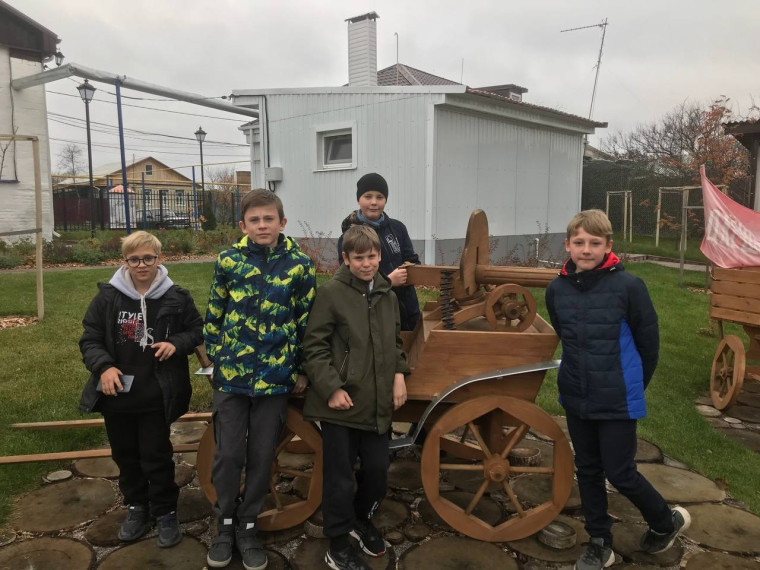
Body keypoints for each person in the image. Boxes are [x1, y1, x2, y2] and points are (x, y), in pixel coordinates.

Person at [545, 209, 691, 570]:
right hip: (577, 396)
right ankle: (599, 542)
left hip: (618, 399)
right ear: (568, 245)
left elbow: (649, 346)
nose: (586, 249)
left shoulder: (630, 288)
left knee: (621, 472)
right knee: (589, 470)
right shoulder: (557, 289)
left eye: (595, 243)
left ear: (609, 246)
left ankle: (664, 521)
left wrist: (633, 388)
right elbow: (565, 335)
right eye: (579, 242)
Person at [203, 188, 316, 570]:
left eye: (269, 219)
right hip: (232, 376)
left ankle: (248, 526)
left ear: (282, 222)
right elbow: (215, 312)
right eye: (255, 220)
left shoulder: (299, 265)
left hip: (275, 377)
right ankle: (225, 524)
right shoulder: (229, 260)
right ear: (243, 225)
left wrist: (301, 368)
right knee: (229, 453)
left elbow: (306, 322)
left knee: (262, 454)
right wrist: (217, 358)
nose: (262, 225)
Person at [79, 231, 203, 548]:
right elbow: (90, 338)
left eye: (148, 258)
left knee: (156, 455)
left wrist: (176, 343)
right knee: (126, 456)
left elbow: (196, 330)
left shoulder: (176, 297)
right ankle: (136, 506)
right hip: (117, 395)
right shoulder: (108, 298)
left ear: (159, 258)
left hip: (155, 394)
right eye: (134, 259)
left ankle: (164, 512)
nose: (141, 264)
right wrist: (104, 367)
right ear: (126, 262)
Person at [304, 224, 411, 570]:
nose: (367, 263)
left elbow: (394, 341)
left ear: (380, 256)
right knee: (339, 476)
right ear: (346, 259)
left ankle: (360, 519)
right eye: (359, 257)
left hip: (378, 402)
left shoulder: (387, 295)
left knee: (378, 471)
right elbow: (315, 346)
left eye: (372, 256)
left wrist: (398, 377)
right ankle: (337, 545)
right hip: (342, 404)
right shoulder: (331, 294)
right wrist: (331, 388)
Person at [337, 172, 421, 331]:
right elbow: (350, 282)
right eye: (367, 196)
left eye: (380, 197)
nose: (374, 202)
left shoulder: (398, 228)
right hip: (377, 313)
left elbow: (413, 260)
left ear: (386, 200)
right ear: (358, 199)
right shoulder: (348, 237)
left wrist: (409, 269)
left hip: (408, 308)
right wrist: (389, 281)